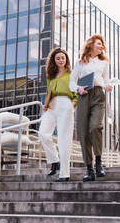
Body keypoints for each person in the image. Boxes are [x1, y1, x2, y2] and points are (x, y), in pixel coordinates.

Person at [69, 34, 113, 182]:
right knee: (83, 132)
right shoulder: (80, 63)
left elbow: (106, 82)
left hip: (98, 96)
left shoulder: (104, 63)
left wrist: (108, 86)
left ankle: (99, 162)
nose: (101, 47)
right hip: (83, 96)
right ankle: (89, 168)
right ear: (91, 45)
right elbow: (71, 82)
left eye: (102, 45)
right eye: (99, 44)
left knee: (95, 127)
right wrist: (78, 89)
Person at [38, 47, 78, 182]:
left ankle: (64, 174)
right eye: (58, 58)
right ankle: (54, 160)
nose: (61, 60)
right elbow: (49, 92)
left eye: (63, 58)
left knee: (64, 139)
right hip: (51, 106)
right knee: (43, 133)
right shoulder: (51, 76)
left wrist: (71, 106)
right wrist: (46, 104)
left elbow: (76, 94)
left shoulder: (72, 75)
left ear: (66, 59)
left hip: (65, 104)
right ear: (53, 61)